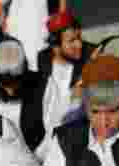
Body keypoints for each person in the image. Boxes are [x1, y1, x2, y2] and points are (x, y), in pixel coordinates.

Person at [36, 9, 95, 137]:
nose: (79, 44)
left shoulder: (89, 56)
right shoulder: (43, 59)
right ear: (55, 45)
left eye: (79, 38)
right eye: (72, 41)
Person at [0, 39, 47, 150]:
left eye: (14, 83)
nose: (10, 91)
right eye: (5, 84)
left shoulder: (45, 85)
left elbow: (51, 133)